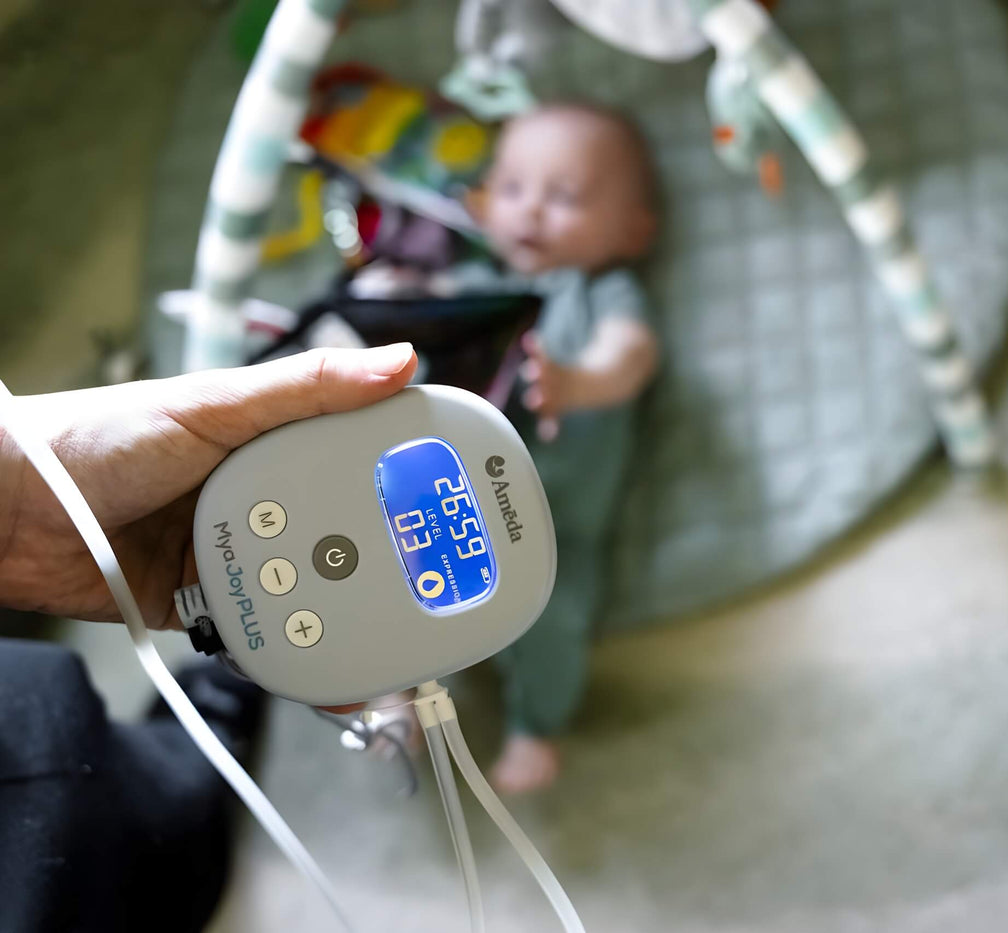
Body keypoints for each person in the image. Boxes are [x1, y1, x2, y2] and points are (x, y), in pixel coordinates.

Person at [0, 345, 418, 932]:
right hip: (64, 869)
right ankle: (219, 701)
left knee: (176, 782)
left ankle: (217, 697)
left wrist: (17, 487)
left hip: (53, 743)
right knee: (163, 842)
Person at [468, 102, 661, 793]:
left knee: (551, 620)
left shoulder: (602, 291)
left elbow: (631, 355)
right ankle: (395, 682)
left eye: (565, 196)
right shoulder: (475, 286)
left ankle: (535, 724)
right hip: (443, 500)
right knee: (388, 578)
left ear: (635, 229)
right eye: (513, 188)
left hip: (549, 525)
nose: (531, 212)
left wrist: (578, 382)